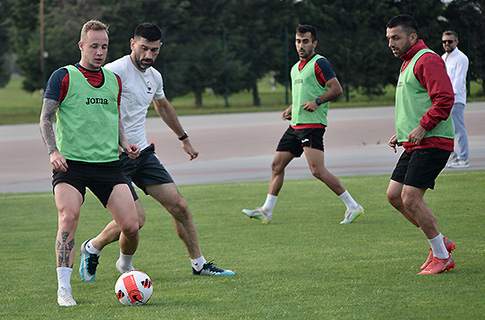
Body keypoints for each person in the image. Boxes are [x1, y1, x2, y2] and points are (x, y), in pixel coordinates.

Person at [78, 22, 234, 281]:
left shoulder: (154, 76)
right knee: (136, 220)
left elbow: (162, 105)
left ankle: (199, 264)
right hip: (115, 158)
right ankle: (97, 250)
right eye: (144, 49)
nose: (148, 55)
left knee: (180, 206)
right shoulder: (113, 72)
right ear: (132, 44)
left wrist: (183, 138)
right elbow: (93, 111)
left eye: (154, 50)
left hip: (144, 155)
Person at [39, 20, 141, 306]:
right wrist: (53, 152)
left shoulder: (114, 81)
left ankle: (125, 265)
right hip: (70, 166)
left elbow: (114, 116)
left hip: (108, 165)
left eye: (104, 46)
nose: (99, 52)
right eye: (94, 46)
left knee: (132, 226)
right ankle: (64, 288)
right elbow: (45, 118)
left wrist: (125, 143)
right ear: (82, 45)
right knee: (68, 217)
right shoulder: (64, 76)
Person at [242, 24, 364, 225]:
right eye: (298, 41)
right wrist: (292, 108)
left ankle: (353, 206)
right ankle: (266, 211)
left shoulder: (320, 63)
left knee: (317, 171)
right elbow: (305, 93)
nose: (301, 45)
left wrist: (317, 102)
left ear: (314, 43)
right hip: (295, 127)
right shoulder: (294, 68)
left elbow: (337, 89)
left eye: (305, 41)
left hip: (312, 126)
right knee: (276, 165)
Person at [385, 14, 456, 275]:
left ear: (412, 37)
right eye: (389, 38)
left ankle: (441, 255)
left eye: (396, 37)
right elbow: (416, 104)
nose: (391, 43)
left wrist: (423, 126)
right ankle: (439, 242)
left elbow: (445, 99)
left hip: (434, 141)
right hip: (415, 143)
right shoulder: (407, 63)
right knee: (394, 196)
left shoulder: (427, 59)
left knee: (411, 198)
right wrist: (402, 132)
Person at [442, 30, 470, 168]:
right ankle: (452, 155)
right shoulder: (443, 57)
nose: (447, 44)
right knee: (443, 128)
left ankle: (463, 158)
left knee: (459, 129)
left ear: (456, 42)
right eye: (444, 41)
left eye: (450, 41)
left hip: (455, 99)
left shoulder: (461, 58)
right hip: (444, 99)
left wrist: (448, 96)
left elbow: (458, 81)